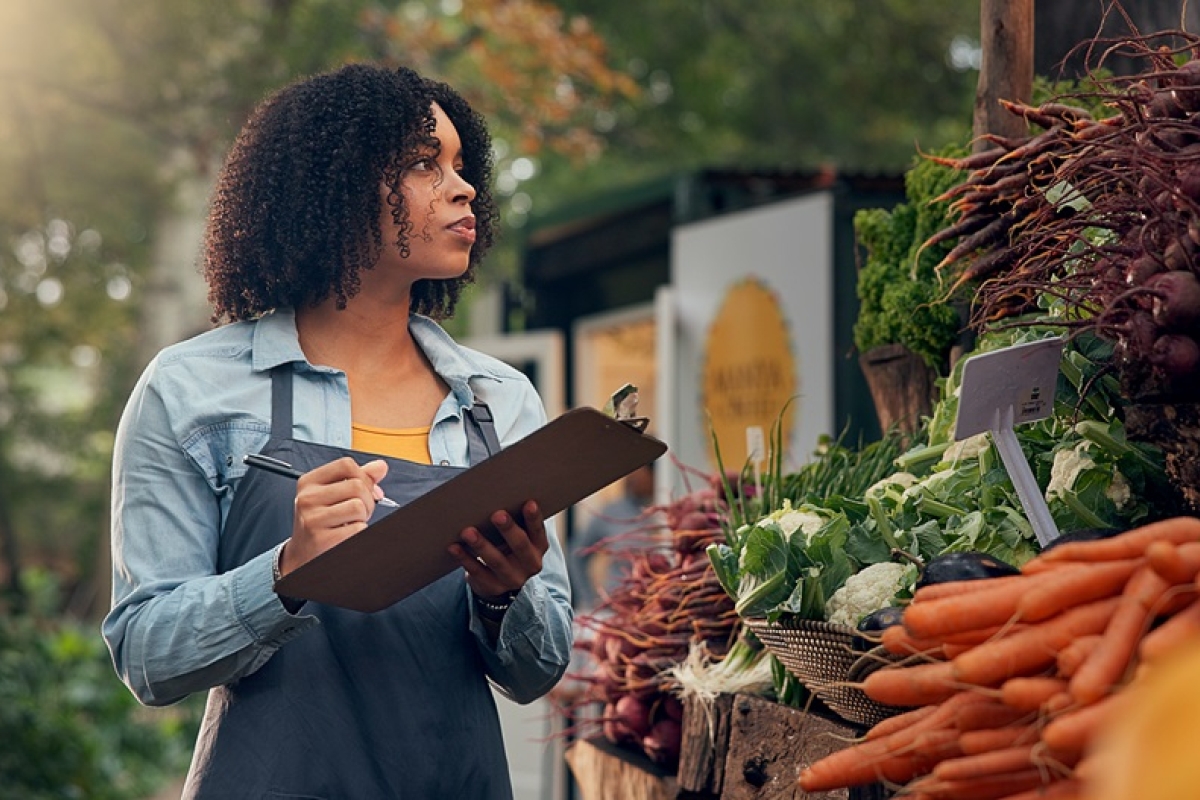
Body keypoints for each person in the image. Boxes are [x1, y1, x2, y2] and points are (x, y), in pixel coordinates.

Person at [101, 63, 573, 799]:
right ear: (339, 186)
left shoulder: (500, 400)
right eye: (424, 164)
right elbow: (147, 656)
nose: (464, 186)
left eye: (459, 163)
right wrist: (285, 573)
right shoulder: (191, 388)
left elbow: (537, 672)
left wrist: (505, 595)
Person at [568, 462, 656, 610]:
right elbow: (576, 553)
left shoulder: (662, 510)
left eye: (639, 471)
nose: (632, 477)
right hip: (616, 609)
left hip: (654, 609)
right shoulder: (613, 511)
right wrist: (589, 599)